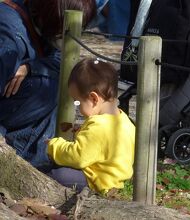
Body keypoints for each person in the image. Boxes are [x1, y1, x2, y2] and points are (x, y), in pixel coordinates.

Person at [0, 0, 96, 169]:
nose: (62, 37)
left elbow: (64, 60)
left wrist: (32, 67)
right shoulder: (8, 32)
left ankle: (40, 161)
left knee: (56, 77)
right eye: (61, 32)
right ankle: (29, 163)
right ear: (51, 15)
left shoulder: (40, 22)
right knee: (48, 87)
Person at [47, 58, 135, 193]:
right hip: (114, 179)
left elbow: (78, 157)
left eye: (77, 102)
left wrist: (55, 146)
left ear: (94, 99)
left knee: (58, 174)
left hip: (98, 181)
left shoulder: (99, 127)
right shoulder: (124, 120)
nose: (77, 108)